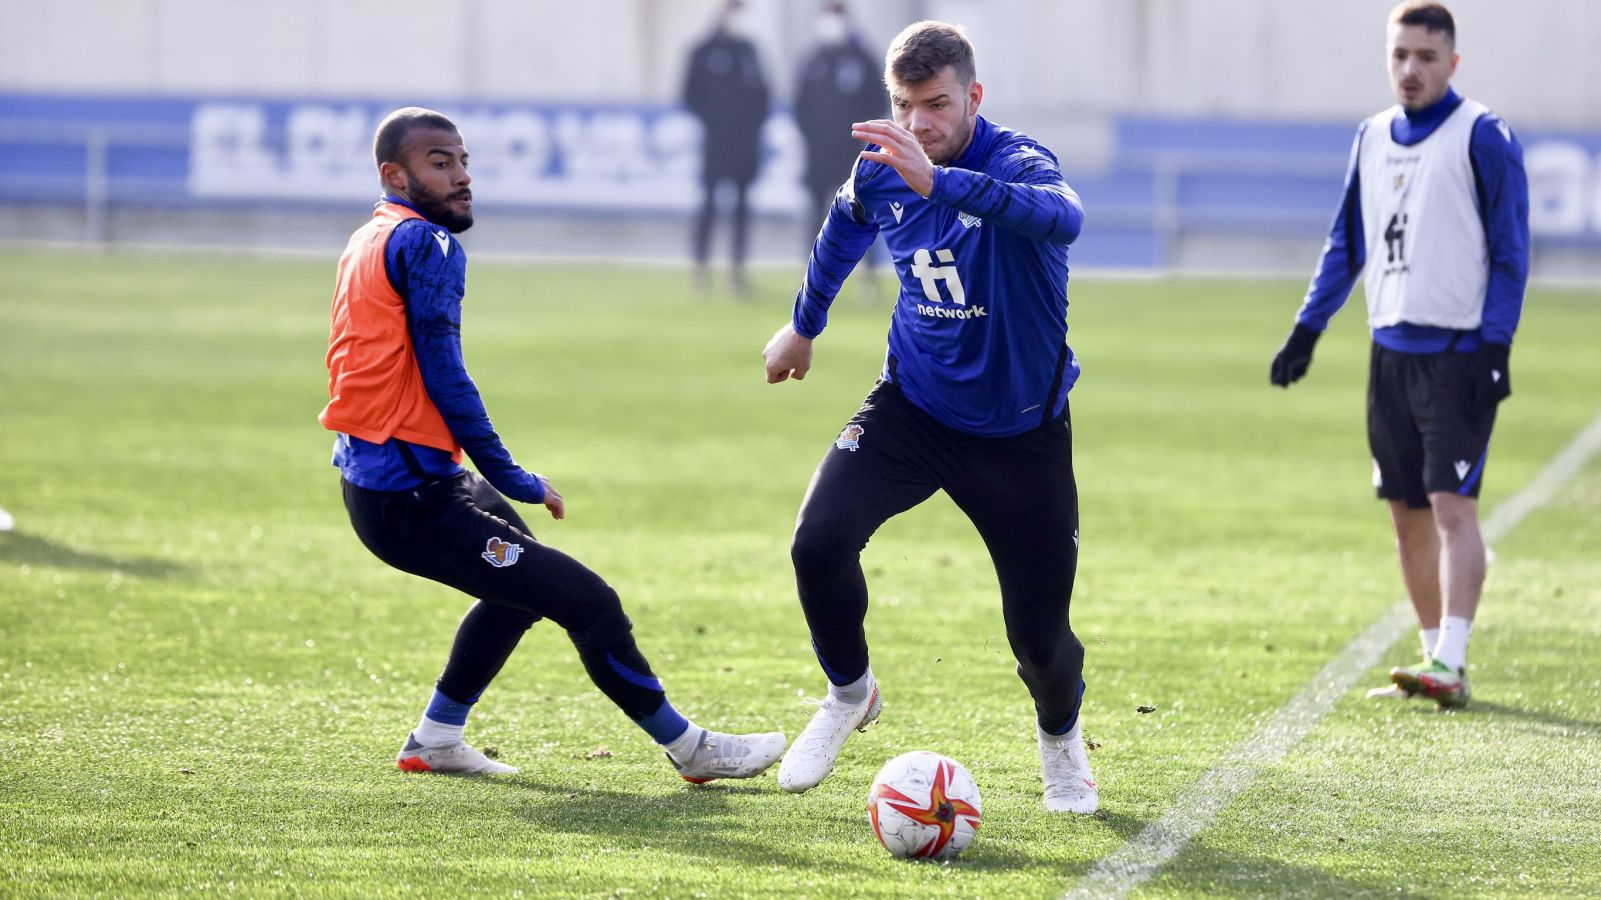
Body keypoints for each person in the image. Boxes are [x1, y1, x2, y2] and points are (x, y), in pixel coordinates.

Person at [321, 107, 785, 779]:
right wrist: (512, 476)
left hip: (399, 480)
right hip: (410, 500)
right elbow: (444, 372)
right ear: (395, 174)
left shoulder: (372, 235)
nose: (462, 177)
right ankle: (691, 749)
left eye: (463, 162)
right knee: (587, 601)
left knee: (525, 587)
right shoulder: (427, 245)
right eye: (440, 164)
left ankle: (435, 740)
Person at [761, 22, 1097, 813]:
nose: (918, 124)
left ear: (973, 97)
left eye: (937, 105)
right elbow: (842, 228)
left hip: (1019, 434)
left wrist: (937, 183)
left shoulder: (1017, 163)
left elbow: (1064, 217)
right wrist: (804, 325)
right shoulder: (880, 168)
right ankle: (849, 694)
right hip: (912, 407)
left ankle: (1060, 744)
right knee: (817, 542)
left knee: (1040, 641)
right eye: (904, 105)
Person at [1269, 1, 1528, 709]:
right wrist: (1307, 329)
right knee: (1404, 513)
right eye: (1398, 56)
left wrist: (1496, 348)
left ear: (1451, 61)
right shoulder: (1372, 135)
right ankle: (1429, 661)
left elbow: (1510, 253)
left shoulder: (1483, 135)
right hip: (1387, 354)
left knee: (1452, 509)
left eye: (1424, 56)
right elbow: (1345, 242)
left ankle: (1452, 655)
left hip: (1457, 356)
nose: (1409, 69)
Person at [683, 0, 771, 297]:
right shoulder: (704, 51)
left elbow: (763, 95)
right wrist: (714, 121)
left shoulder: (749, 52)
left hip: (744, 144)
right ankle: (701, 270)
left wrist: (750, 127)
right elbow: (689, 94)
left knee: (742, 209)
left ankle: (737, 273)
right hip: (715, 143)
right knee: (709, 205)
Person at [794, 2, 888, 277]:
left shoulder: (861, 58)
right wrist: (812, 134)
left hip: (853, 150)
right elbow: (800, 104)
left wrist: (863, 132)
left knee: (860, 209)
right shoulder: (812, 59)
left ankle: (868, 273)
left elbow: (879, 99)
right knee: (816, 211)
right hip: (818, 150)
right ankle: (811, 272)